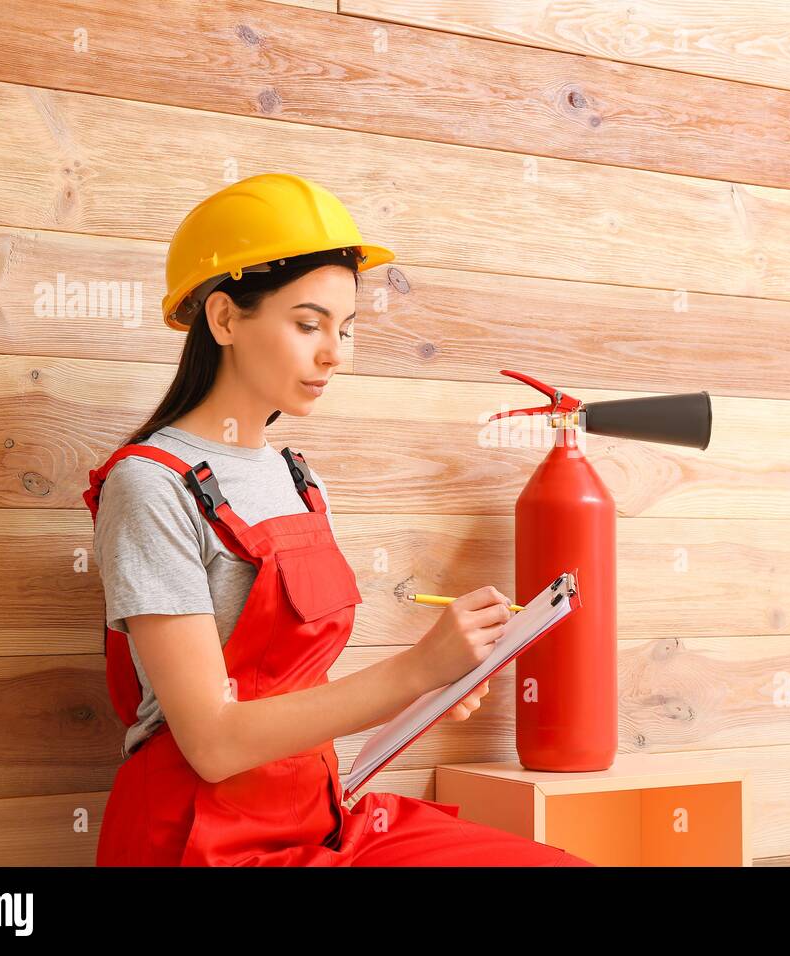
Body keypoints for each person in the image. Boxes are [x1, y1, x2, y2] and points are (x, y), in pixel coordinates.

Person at [84, 173, 593, 866]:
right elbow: (213, 742)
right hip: (199, 840)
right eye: (307, 324)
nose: (335, 353)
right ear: (225, 318)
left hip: (318, 814)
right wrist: (415, 670)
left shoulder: (299, 480)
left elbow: (300, 697)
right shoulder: (149, 486)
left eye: (346, 328)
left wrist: (433, 688)